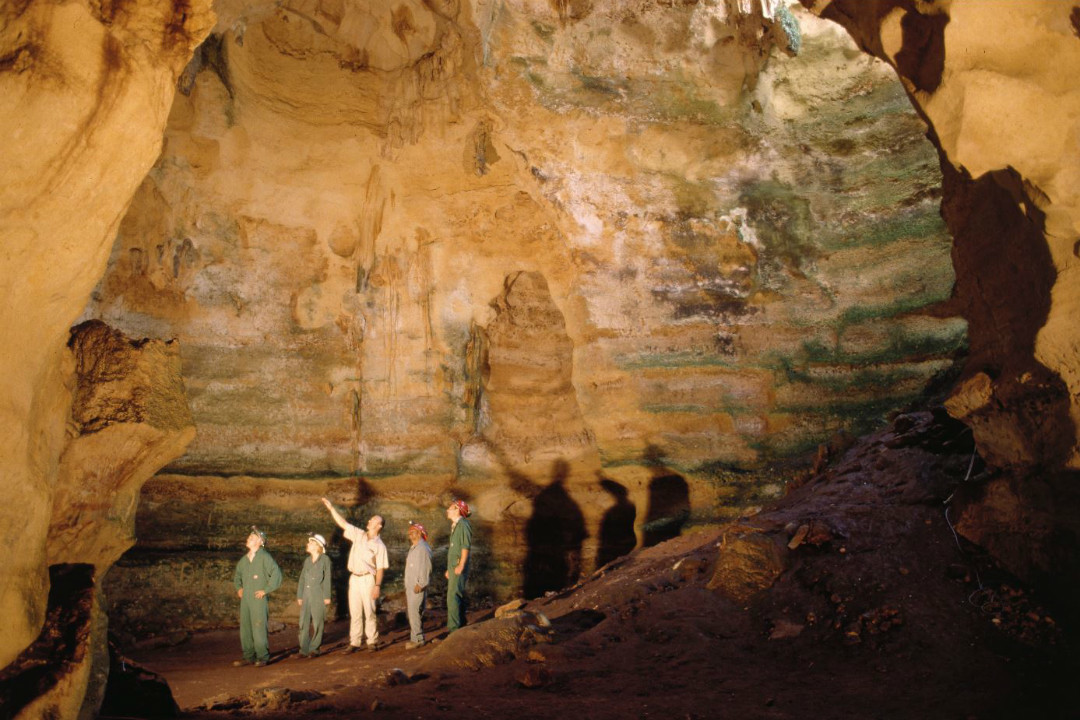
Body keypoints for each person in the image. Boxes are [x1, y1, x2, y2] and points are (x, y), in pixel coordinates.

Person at [321, 497, 388, 652]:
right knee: (355, 611)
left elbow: (380, 568)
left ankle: (372, 640)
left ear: (379, 526)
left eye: (373, 520)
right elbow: (343, 523)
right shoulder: (359, 534)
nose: (370, 520)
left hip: (368, 579)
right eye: (371, 519)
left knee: (369, 611)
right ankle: (355, 641)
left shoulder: (379, 545)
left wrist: (377, 586)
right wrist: (331, 508)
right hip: (355, 578)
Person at [232, 526, 282, 667]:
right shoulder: (244, 560)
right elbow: (237, 576)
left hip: (258, 598)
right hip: (246, 599)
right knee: (246, 627)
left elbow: (276, 574)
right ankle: (248, 656)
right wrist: (239, 588)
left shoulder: (265, 557)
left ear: (260, 541)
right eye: (249, 537)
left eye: (252, 538)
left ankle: (263, 657)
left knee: (258, 626)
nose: (248, 539)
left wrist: (265, 590)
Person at [296, 532, 332, 658]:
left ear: (318, 546)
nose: (308, 544)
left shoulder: (325, 560)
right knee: (303, 622)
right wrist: (300, 595)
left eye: (311, 543)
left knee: (318, 622)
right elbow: (302, 579)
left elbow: (327, 578)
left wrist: (327, 596)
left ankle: (314, 648)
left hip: (318, 594)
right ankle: (304, 649)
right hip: (306, 594)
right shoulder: (307, 561)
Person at [445, 499, 473, 633]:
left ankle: (454, 629)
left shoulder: (463, 524)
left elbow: (465, 546)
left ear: (458, 510)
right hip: (454, 565)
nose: (448, 510)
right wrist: (449, 568)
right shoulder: (456, 525)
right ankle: (460, 624)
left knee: (452, 596)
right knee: (456, 594)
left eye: (451, 508)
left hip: (458, 565)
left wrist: (461, 564)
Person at [404, 522, 433, 649]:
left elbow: (426, 566)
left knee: (414, 611)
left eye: (413, 532)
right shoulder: (414, 548)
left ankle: (417, 640)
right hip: (411, 584)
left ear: (420, 533)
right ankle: (416, 638)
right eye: (409, 532)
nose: (410, 534)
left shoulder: (423, 548)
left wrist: (421, 583)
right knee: (414, 611)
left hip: (417, 585)